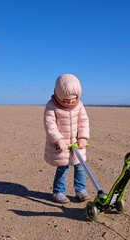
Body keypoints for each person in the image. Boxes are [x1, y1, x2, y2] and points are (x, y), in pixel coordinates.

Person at [43, 74, 90, 204]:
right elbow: (50, 125)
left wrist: (83, 138)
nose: (70, 103)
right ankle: (58, 192)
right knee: (63, 168)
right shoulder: (51, 106)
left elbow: (83, 122)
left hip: (76, 144)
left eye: (73, 100)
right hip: (61, 145)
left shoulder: (79, 105)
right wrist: (58, 140)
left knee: (80, 167)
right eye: (66, 100)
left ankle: (80, 190)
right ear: (58, 95)